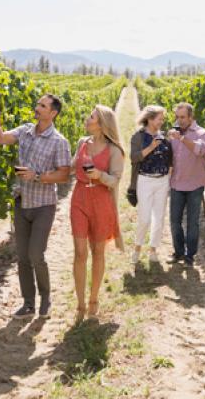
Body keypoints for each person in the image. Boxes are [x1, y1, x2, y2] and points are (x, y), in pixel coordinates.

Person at [0, 94, 71, 318]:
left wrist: (37, 176)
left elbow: (64, 175)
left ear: (52, 113)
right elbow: (2, 139)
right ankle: (28, 303)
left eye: (42, 106)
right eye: (38, 104)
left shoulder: (59, 142)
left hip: (44, 205)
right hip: (21, 201)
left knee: (36, 254)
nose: (37, 107)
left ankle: (46, 297)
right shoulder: (25, 131)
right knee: (22, 257)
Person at [71, 104, 125, 322]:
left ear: (101, 123)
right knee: (80, 253)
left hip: (102, 202)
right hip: (80, 198)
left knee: (98, 252)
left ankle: (94, 300)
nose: (87, 118)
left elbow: (115, 180)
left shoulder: (114, 150)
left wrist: (100, 175)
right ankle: (80, 304)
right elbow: (72, 166)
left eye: (91, 116)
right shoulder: (82, 143)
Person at [167, 102, 205, 267]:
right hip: (177, 184)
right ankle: (178, 252)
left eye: (183, 117)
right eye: (177, 117)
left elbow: (199, 150)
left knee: (193, 223)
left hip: (194, 185)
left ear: (191, 117)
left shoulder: (201, 133)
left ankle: (190, 256)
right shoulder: (174, 133)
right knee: (174, 221)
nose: (179, 120)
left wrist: (182, 139)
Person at [129, 105, 173, 265]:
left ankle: (153, 249)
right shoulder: (138, 137)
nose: (162, 121)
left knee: (159, 217)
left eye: (163, 119)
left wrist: (169, 174)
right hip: (145, 180)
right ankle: (137, 247)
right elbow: (134, 158)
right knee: (145, 218)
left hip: (162, 180)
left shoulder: (164, 136)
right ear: (150, 119)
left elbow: (169, 158)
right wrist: (151, 147)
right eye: (159, 118)